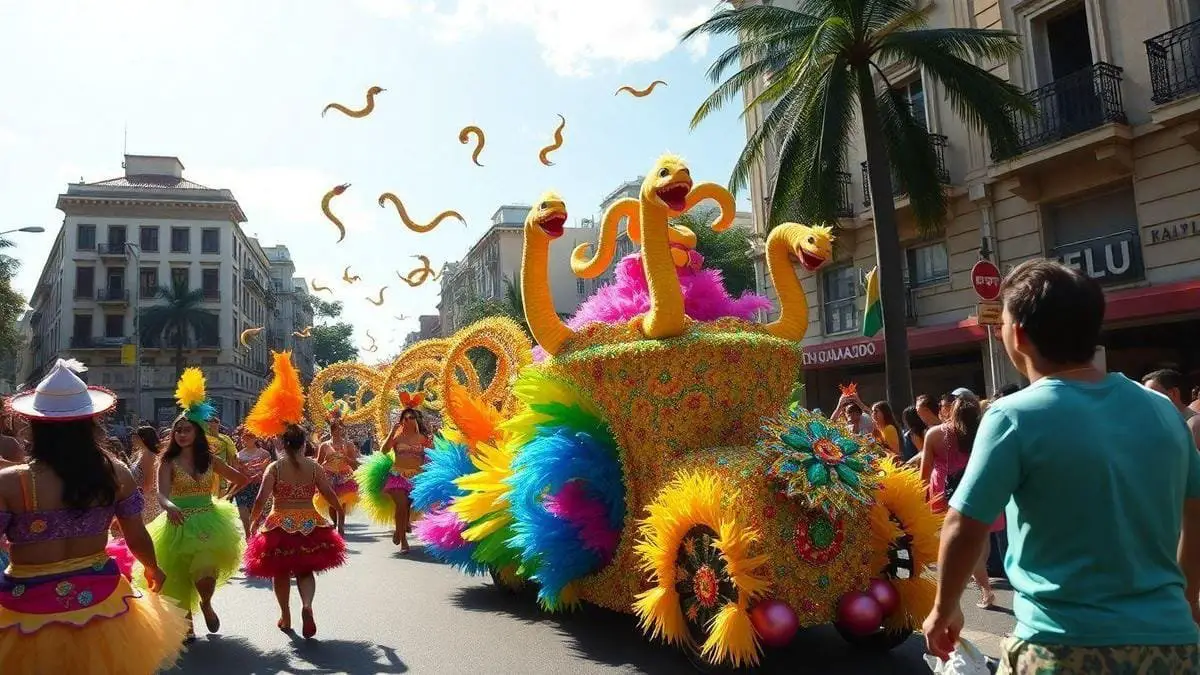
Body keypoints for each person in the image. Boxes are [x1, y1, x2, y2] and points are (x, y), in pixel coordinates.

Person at [924, 259, 1200, 673]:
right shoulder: (1163, 411)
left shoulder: (1013, 416)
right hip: (1172, 645)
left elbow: (964, 525)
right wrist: (1185, 600)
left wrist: (944, 609)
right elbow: (1195, 514)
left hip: (1060, 646)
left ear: (1017, 334)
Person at [0, 359, 188, 674]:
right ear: (91, 424)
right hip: (102, 602)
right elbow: (136, 534)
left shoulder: (10, 482)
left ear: (34, 426)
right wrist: (152, 567)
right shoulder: (115, 473)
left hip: (25, 608)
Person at [149, 368, 247, 641]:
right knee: (178, 577)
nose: (181, 434)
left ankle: (206, 602)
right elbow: (161, 493)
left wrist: (226, 497)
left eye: (186, 430)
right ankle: (188, 624)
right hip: (176, 522)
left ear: (197, 433)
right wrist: (169, 506)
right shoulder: (167, 461)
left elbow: (240, 478)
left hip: (208, 520)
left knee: (205, 577)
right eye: (177, 430)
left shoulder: (210, 460)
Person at [244, 424, 346, 638]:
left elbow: (261, 498)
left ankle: (286, 615)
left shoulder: (275, 467)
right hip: (310, 523)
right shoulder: (314, 467)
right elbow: (328, 492)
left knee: (280, 571)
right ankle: (307, 605)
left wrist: (254, 521)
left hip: (280, 523)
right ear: (304, 444)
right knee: (305, 570)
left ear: (282, 443)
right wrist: (339, 513)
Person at [921, 395, 997, 609]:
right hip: (981, 490)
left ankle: (985, 590)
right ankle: (982, 580)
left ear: (950, 411)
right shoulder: (985, 432)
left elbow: (924, 474)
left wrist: (920, 499)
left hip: (947, 494)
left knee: (960, 544)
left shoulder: (935, 434)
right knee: (981, 541)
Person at [358, 393, 432, 553]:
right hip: (397, 476)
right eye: (405, 417)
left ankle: (401, 528)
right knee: (401, 504)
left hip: (417, 478)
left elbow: (432, 455)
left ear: (416, 420)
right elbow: (384, 450)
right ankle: (403, 540)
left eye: (411, 417)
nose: (407, 420)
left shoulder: (423, 438)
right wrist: (392, 432)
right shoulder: (397, 437)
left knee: (408, 506)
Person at [315, 410, 360, 536]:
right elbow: (318, 462)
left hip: (344, 476)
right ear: (331, 430)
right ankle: (334, 523)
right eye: (335, 428)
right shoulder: (324, 445)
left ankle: (341, 526)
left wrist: (348, 459)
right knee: (331, 503)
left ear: (343, 430)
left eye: (340, 428)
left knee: (343, 502)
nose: (337, 431)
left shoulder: (349, 445)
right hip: (328, 476)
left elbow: (354, 463)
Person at [1142, 369, 1200, 450]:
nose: (1148, 401)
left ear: (1173, 393)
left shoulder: (1195, 425)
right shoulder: (1160, 427)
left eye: (1152, 395)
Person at [232, 426, 272, 538]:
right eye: (244, 438)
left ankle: (255, 536)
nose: (245, 440)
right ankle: (247, 537)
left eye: (249, 438)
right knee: (243, 514)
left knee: (256, 515)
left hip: (257, 486)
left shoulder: (264, 454)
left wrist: (260, 473)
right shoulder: (239, 455)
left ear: (255, 439)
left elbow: (268, 472)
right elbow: (235, 470)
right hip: (242, 487)